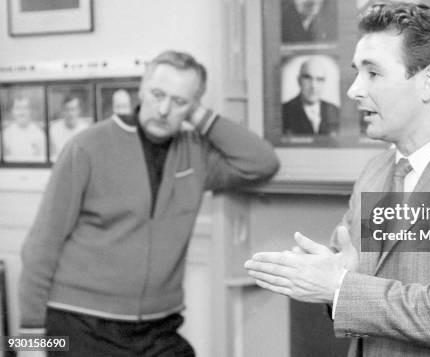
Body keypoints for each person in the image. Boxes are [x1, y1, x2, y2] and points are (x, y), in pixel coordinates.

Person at [245, 3, 430, 357]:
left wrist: (340, 286)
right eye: (357, 73)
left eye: (373, 73)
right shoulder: (374, 172)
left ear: (428, 82)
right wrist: (333, 277)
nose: (354, 90)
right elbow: (353, 293)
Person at [19, 50, 279, 356]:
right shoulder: (87, 146)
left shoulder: (195, 154)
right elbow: (42, 244)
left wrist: (199, 117)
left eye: (179, 102)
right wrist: (29, 341)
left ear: (193, 104)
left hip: (158, 327)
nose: (164, 109)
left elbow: (262, 162)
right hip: (79, 321)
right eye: (157, 94)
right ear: (141, 89)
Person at [282, 57, 340, 135]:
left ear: (324, 83)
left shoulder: (335, 111)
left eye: (319, 79)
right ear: (299, 80)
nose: (313, 86)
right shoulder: (284, 112)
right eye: (308, 78)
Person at [2, 94, 45, 162]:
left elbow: (42, 160)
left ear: (30, 111)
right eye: (18, 108)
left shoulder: (39, 134)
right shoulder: (5, 134)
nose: (21, 112)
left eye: (25, 108)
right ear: (12, 111)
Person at [49, 94, 91, 161]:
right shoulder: (53, 130)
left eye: (73, 109)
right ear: (62, 111)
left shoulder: (87, 130)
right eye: (67, 109)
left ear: (79, 110)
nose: (70, 113)